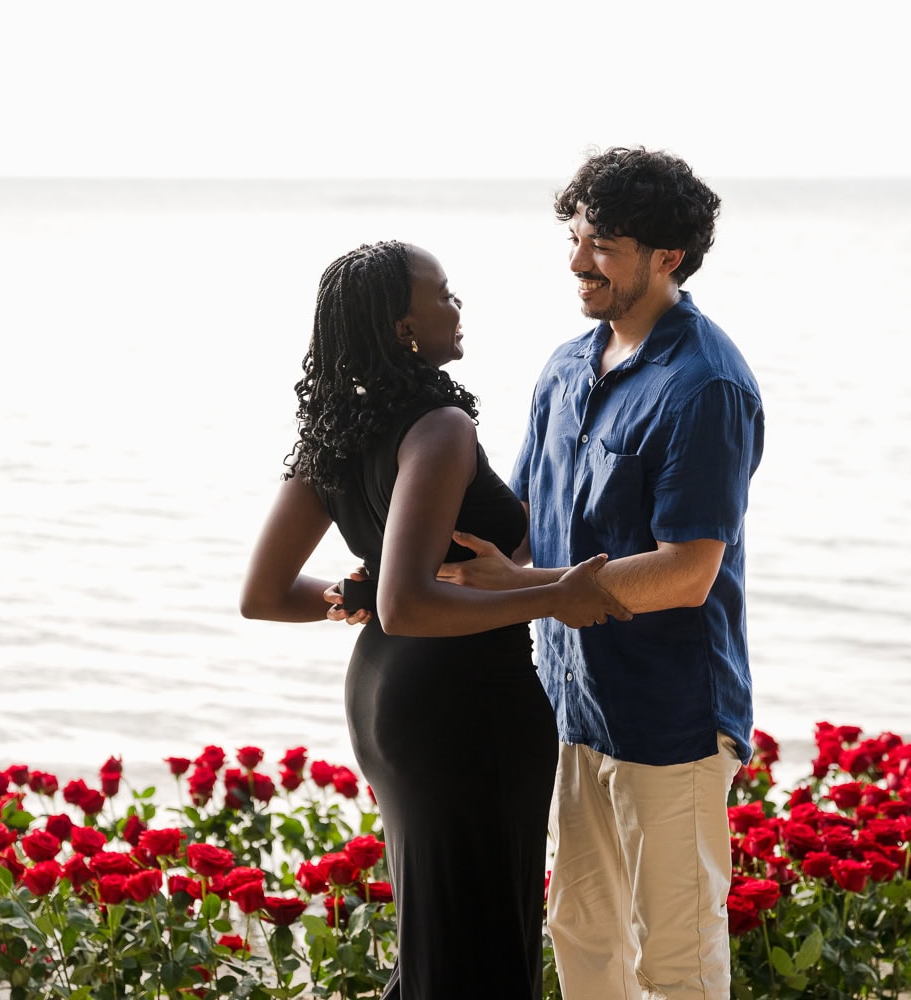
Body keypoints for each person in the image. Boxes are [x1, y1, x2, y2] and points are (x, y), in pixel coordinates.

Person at [239, 240, 629, 1000]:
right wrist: (554, 597)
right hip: (463, 704)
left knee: (444, 944)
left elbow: (267, 593)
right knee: (473, 952)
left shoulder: (337, 431)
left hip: (388, 696)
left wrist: (348, 598)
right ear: (400, 327)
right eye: (442, 293)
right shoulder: (439, 426)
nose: (457, 305)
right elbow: (409, 602)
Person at [437, 147, 765, 999]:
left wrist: (534, 591)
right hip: (575, 702)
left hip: (673, 721)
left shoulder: (706, 387)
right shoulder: (565, 367)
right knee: (580, 932)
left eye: (604, 245)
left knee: (677, 961)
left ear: (669, 258)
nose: (579, 261)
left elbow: (688, 573)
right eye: (577, 238)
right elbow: (518, 531)